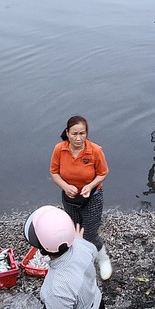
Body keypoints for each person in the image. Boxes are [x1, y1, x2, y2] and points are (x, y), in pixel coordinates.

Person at [49, 115, 112, 280]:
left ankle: (103, 259)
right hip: (70, 198)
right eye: (74, 133)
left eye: (82, 133)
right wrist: (65, 186)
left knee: (89, 233)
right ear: (68, 133)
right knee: (74, 231)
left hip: (92, 197)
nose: (78, 138)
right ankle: (80, 260)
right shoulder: (59, 149)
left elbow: (103, 173)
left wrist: (90, 186)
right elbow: (54, 172)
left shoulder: (95, 151)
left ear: (86, 134)